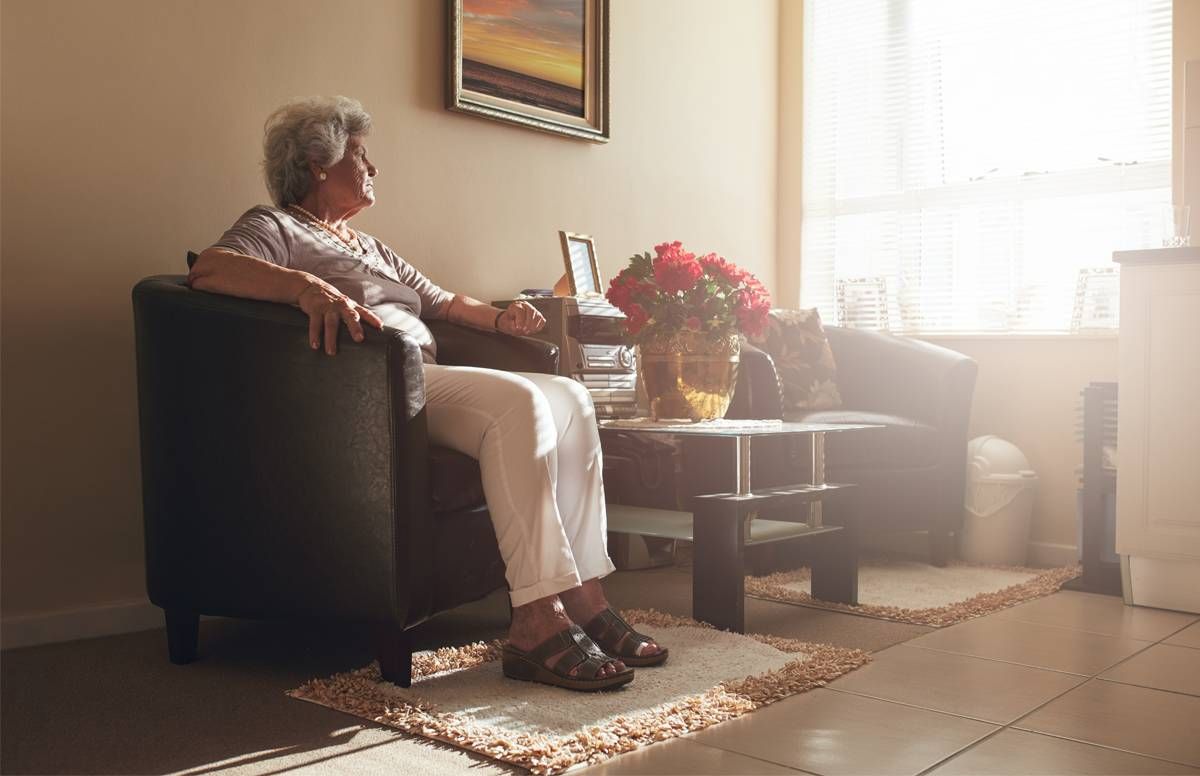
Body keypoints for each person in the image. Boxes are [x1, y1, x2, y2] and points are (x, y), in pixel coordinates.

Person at [188, 96, 665, 691]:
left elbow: (441, 301)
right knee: (520, 404)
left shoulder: (370, 247)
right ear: (318, 164)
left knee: (570, 396)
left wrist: (502, 319)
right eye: (361, 155)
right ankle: (536, 623)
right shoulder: (275, 226)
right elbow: (210, 268)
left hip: (421, 382)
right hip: (366, 392)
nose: (374, 168)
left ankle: (586, 597)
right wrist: (306, 287)